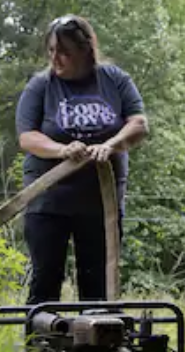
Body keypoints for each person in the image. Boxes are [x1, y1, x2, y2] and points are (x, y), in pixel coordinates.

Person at [14, 15, 148, 304]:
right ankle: (39, 346)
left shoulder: (115, 80)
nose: (56, 58)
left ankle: (93, 347)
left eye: (64, 52)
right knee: (46, 278)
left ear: (87, 50)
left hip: (101, 205)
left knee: (98, 283)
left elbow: (138, 124)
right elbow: (27, 137)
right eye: (51, 51)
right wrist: (62, 150)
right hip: (48, 202)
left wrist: (110, 146)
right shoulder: (41, 86)